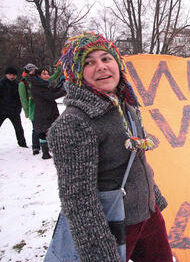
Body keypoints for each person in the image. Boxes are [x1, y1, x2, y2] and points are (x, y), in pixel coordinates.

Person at [47, 32, 172, 261]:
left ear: (117, 63)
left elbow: (136, 161)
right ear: (76, 73)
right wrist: (101, 255)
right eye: (89, 62)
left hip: (149, 217)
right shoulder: (73, 123)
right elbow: (79, 201)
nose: (101, 67)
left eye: (106, 59)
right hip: (113, 229)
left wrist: (153, 197)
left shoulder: (126, 105)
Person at [29, 67, 66, 159]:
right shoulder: (36, 87)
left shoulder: (43, 85)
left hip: (50, 111)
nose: (47, 76)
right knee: (44, 132)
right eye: (44, 74)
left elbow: (53, 90)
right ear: (38, 76)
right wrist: (65, 90)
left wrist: (62, 84)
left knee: (50, 131)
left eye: (47, 73)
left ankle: (50, 151)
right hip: (44, 113)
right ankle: (46, 153)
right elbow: (51, 96)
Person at [0, 67, 27, 147]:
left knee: (19, 129)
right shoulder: (1, 84)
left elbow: (20, 98)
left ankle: (22, 144)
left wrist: (18, 108)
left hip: (14, 111)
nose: (12, 76)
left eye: (14, 75)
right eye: (10, 74)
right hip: (2, 111)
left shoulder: (17, 84)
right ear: (6, 75)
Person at [18, 63, 41, 154]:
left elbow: (50, 78)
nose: (33, 72)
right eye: (31, 70)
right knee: (36, 128)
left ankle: (45, 144)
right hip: (32, 108)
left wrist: (59, 70)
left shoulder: (38, 79)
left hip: (41, 106)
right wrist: (27, 112)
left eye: (34, 70)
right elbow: (23, 99)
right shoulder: (23, 83)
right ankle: (35, 146)